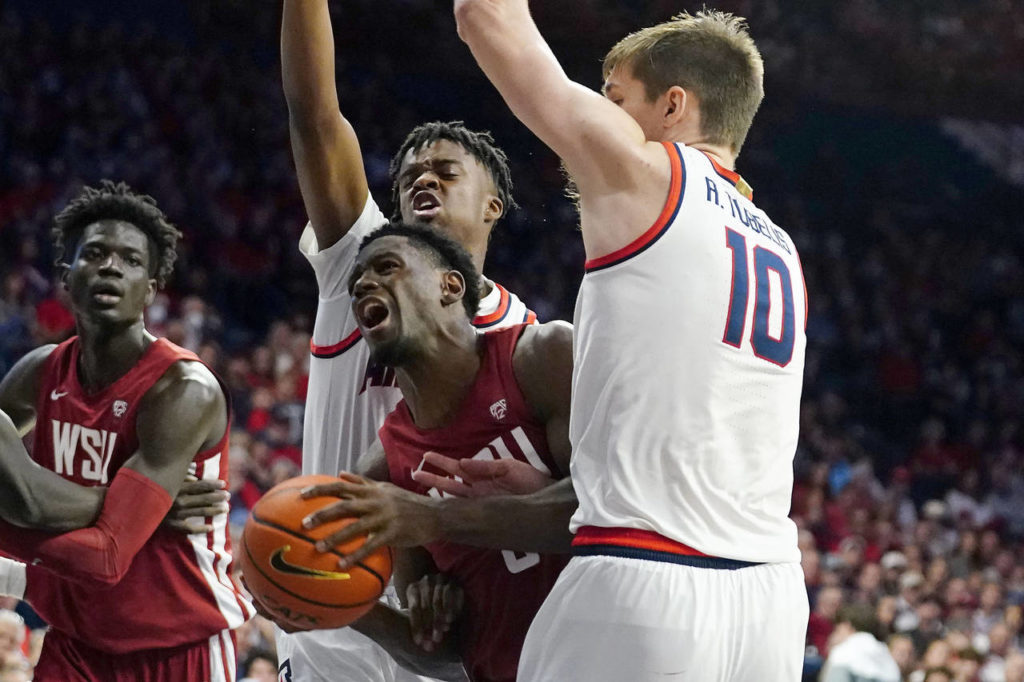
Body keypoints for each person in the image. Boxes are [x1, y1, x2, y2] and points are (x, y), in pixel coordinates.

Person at [454, 6, 809, 680]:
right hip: (769, 601)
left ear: (673, 106)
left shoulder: (653, 176)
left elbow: (483, 16)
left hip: (646, 578)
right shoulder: (780, 246)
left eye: (616, 99)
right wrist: (579, 482)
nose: (605, 115)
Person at [263, 3, 537, 680]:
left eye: (446, 171)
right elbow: (314, 114)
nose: (423, 179)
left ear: (493, 206)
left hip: (447, 631)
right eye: (411, 174)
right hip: (331, 623)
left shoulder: (525, 339)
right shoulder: (360, 263)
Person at [298, 222, 574, 682]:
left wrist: (438, 519)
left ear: (451, 286)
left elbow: (619, 511)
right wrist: (338, 604)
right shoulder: (383, 471)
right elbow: (445, 655)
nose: (363, 283)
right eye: (356, 282)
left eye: (386, 267)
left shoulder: (542, 358)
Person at [0, 181, 253, 681]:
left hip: (179, 647)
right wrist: (135, 506)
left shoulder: (183, 389)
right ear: (66, 275)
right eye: (95, 254)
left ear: (152, 289)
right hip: (75, 641)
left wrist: (23, 530)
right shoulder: (39, 372)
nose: (111, 267)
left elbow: (106, 556)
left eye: (131, 260)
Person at [820, 604, 901, 682]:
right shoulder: (887, 657)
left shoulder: (843, 653)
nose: (834, 635)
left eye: (837, 630)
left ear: (847, 626)